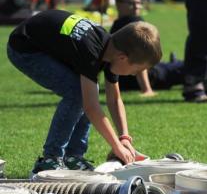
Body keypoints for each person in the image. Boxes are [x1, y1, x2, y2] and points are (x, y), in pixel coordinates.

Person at [6, 10, 162, 174]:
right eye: (137, 70)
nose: (135, 74)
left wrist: (124, 138)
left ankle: (73, 157)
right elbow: (91, 107)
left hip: (44, 43)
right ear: (123, 58)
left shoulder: (111, 50)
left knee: (85, 92)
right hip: (25, 48)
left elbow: (114, 100)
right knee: (78, 93)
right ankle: (50, 159)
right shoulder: (91, 51)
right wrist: (117, 147)